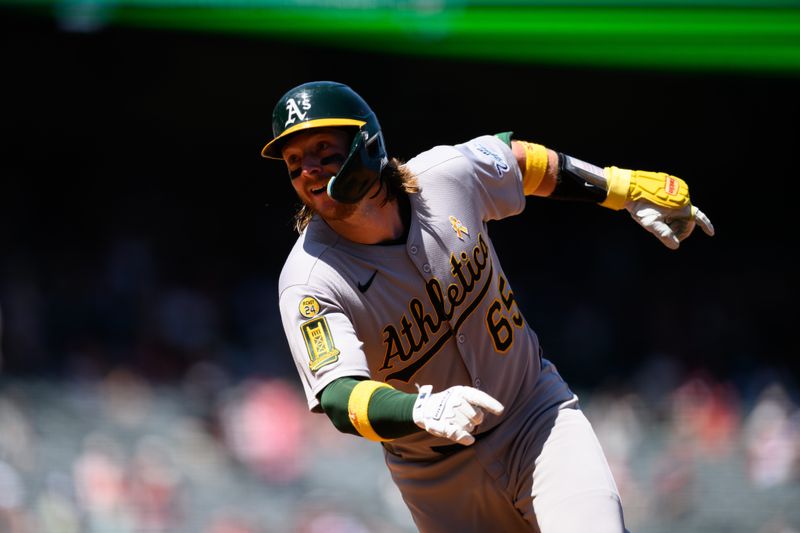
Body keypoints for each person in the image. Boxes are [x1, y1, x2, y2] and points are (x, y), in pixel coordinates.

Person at [263, 81, 713, 533]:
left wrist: (620, 186)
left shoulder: (443, 176)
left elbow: (516, 159)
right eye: (294, 161)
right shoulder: (309, 280)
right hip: (437, 477)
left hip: (535, 415)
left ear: (366, 143)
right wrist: (418, 410)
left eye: (323, 150)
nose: (310, 170)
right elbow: (339, 396)